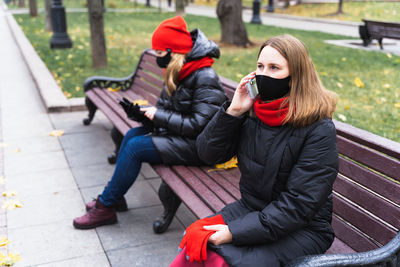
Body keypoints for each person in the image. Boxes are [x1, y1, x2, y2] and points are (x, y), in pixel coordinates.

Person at [170, 34, 339, 267]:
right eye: (260, 66)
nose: (264, 74)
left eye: (274, 68)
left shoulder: (318, 128)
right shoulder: (253, 111)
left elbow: (299, 205)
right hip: (252, 210)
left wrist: (234, 233)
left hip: (304, 229)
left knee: (220, 258)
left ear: (295, 76)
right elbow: (208, 154)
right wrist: (234, 111)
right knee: (195, 239)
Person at [73, 16, 227, 229]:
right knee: (131, 135)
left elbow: (201, 124)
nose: (157, 58)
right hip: (183, 136)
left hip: (201, 147)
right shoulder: (178, 70)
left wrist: (158, 116)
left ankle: (105, 206)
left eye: (160, 53)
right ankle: (113, 197)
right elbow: (166, 109)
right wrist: (143, 115)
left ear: (174, 52)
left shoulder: (204, 76)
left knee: (136, 148)